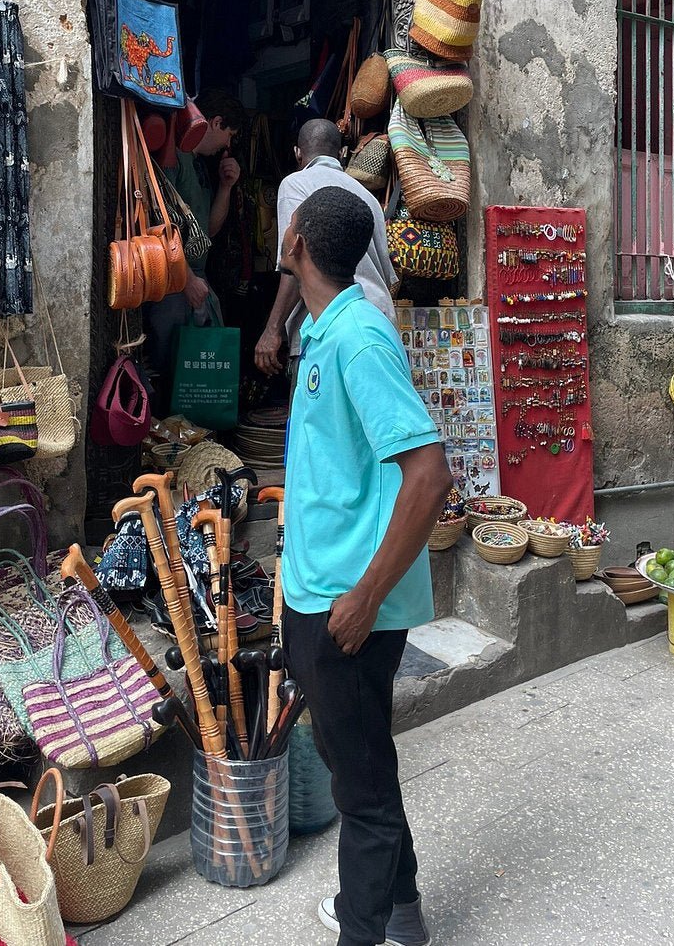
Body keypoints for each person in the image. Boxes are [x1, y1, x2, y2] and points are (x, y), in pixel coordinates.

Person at [280, 186, 451, 946]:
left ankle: (364, 929)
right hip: (316, 590)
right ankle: (402, 912)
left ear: (297, 244)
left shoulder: (359, 338)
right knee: (359, 764)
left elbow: (429, 475)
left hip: (346, 607)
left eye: (289, 223)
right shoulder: (322, 328)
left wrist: (366, 595)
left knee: (363, 794)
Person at [254, 119, 397, 384]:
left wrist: (273, 329)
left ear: (297, 152)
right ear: (342, 153)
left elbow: (294, 261)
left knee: (318, 405)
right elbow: (386, 277)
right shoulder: (367, 196)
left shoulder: (295, 184)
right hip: (377, 318)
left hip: (327, 329)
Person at [144, 89, 245, 401]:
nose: (227, 146)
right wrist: (186, 278)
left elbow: (207, 231)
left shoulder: (199, 165)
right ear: (215, 122)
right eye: (229, 135)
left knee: (195, 375)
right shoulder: (174, 158)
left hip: (194, 283)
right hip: (174, 284)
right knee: (171, 372)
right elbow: (157, 222)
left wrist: (226, 187)